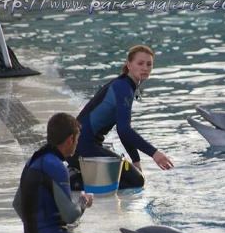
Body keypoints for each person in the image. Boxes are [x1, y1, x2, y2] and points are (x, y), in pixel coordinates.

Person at [13, 113, 123, 233]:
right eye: (77, 140)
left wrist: (36, 226)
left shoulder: (34, 161)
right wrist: (83, 202)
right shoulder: (56, 166)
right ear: (70, 139)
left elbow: (17, 204)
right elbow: (70, 216)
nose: (77, 144)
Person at [66, 44, 174, 190]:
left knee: (133, 175)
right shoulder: (124, 88)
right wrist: (154, 153)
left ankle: (76, 171)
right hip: (81, 147)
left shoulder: (124, 85)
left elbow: (122, 129)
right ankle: (74, 181)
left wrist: (136, 161)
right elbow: (124, 130)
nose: (145, 68)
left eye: (149, 64)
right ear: (129, 65)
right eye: (140, 63)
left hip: (80, 147)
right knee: (136, 182)